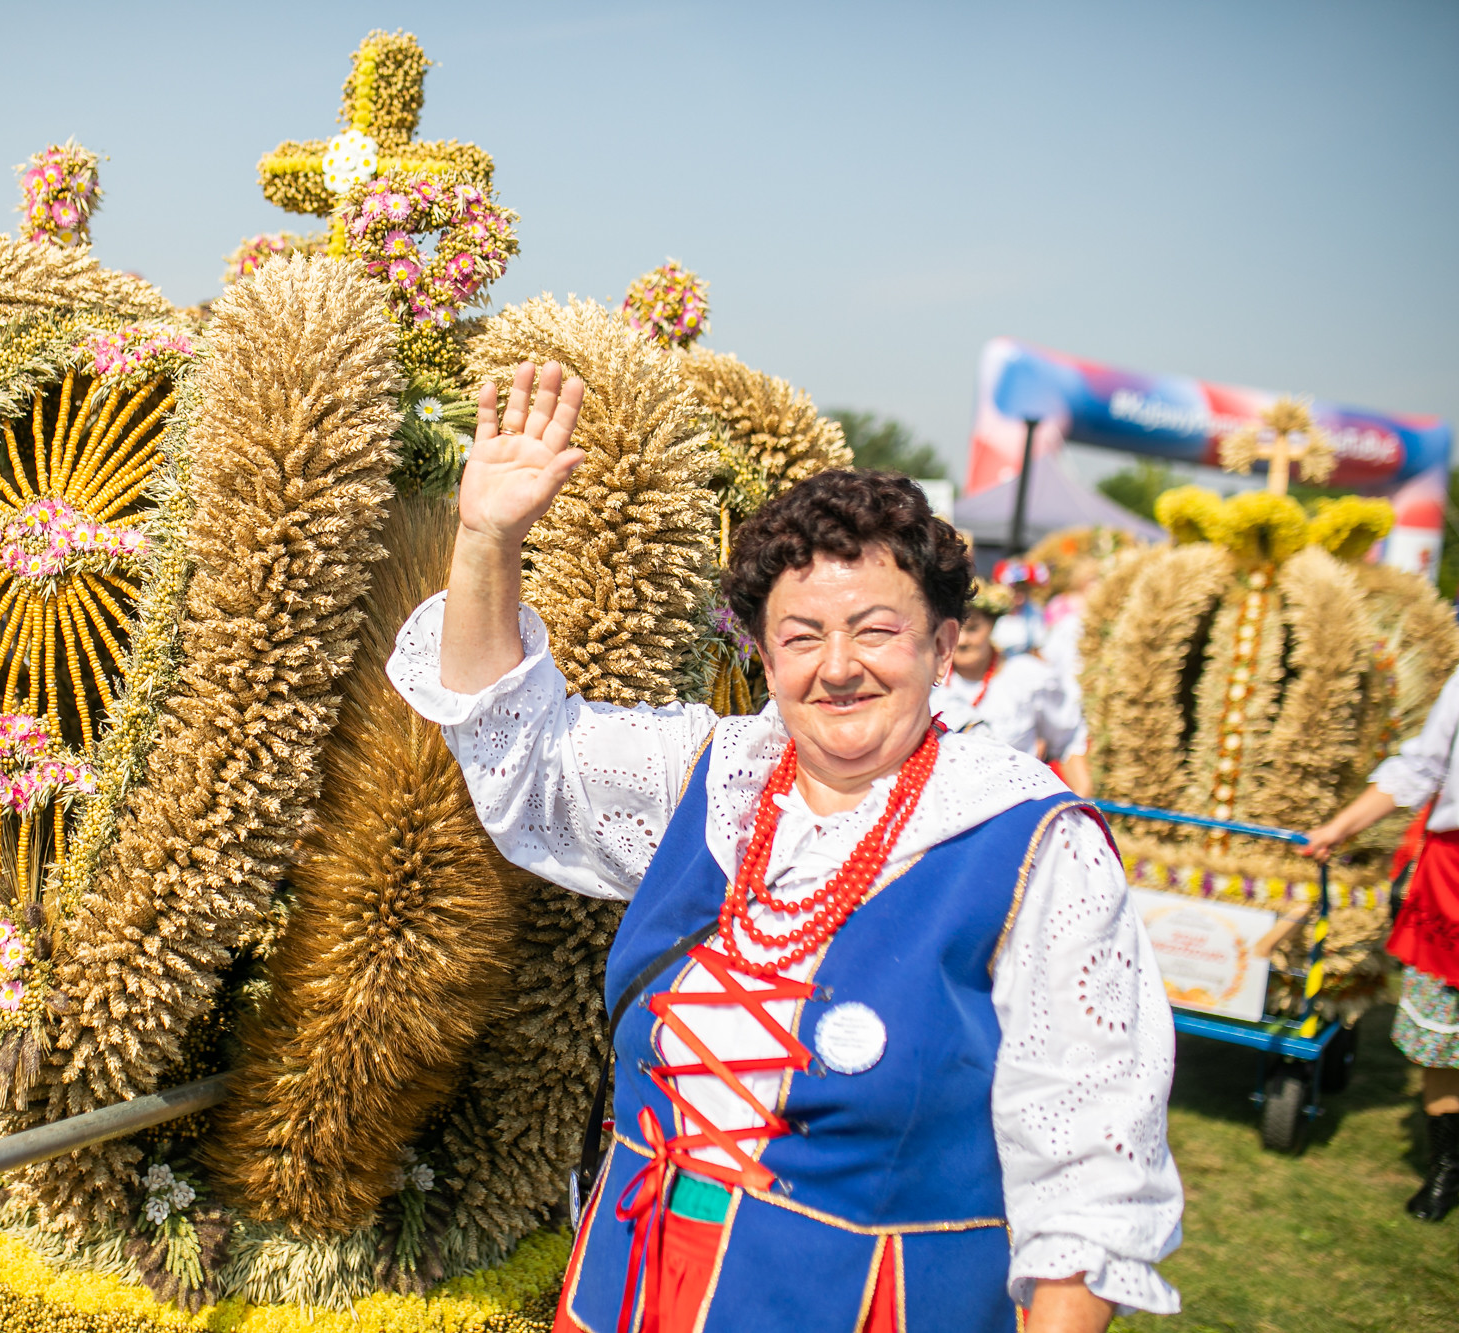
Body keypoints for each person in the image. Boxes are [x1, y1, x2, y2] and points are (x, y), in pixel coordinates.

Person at [387, 363, 1182, 1332]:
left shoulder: (1026, 844)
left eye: (875, 630)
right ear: (763, 659)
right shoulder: (710, 776)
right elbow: (520, 743)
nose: (837, 665)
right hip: (629, 1294)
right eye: (800, 635)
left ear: (940, 648)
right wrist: (486, 539)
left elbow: (1089, 1174)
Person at [1303, 666, 1459, 1222]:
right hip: (1454, 872)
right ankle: (1445, 1165)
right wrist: (1342, 826)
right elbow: (1422, 766)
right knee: (1442, 1037)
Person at [930, 582, 1094, 797]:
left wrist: (1083, 800)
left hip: (1020, 808)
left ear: (992, 626)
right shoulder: (929, 679)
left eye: (972, 629)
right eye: (952, 631)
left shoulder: (1028, 676)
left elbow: (1068, 738)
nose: (961, 641)